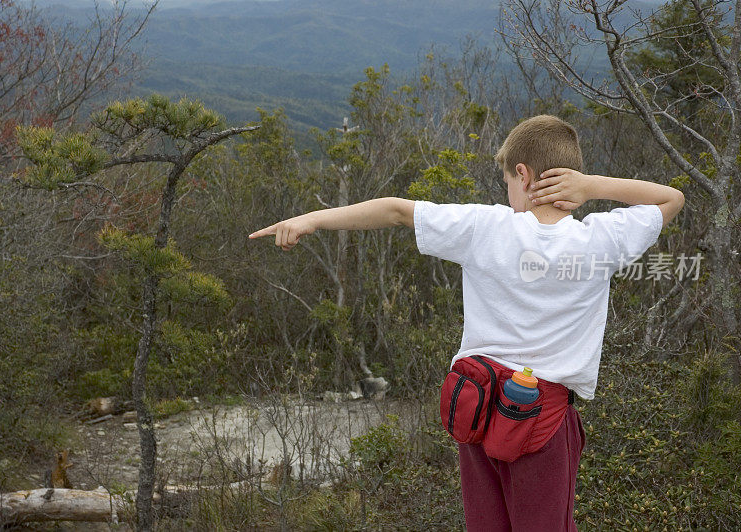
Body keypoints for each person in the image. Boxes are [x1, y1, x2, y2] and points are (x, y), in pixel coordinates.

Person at [248, 114, 685, 530]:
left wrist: (309, 220)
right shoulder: (602, 240)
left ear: (523, 174)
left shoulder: (485, 228)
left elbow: (397, 210)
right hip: (544, 419)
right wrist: (591, 186)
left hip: (476, 409)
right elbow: (671, 198)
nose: (507, 193)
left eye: (507, 183)